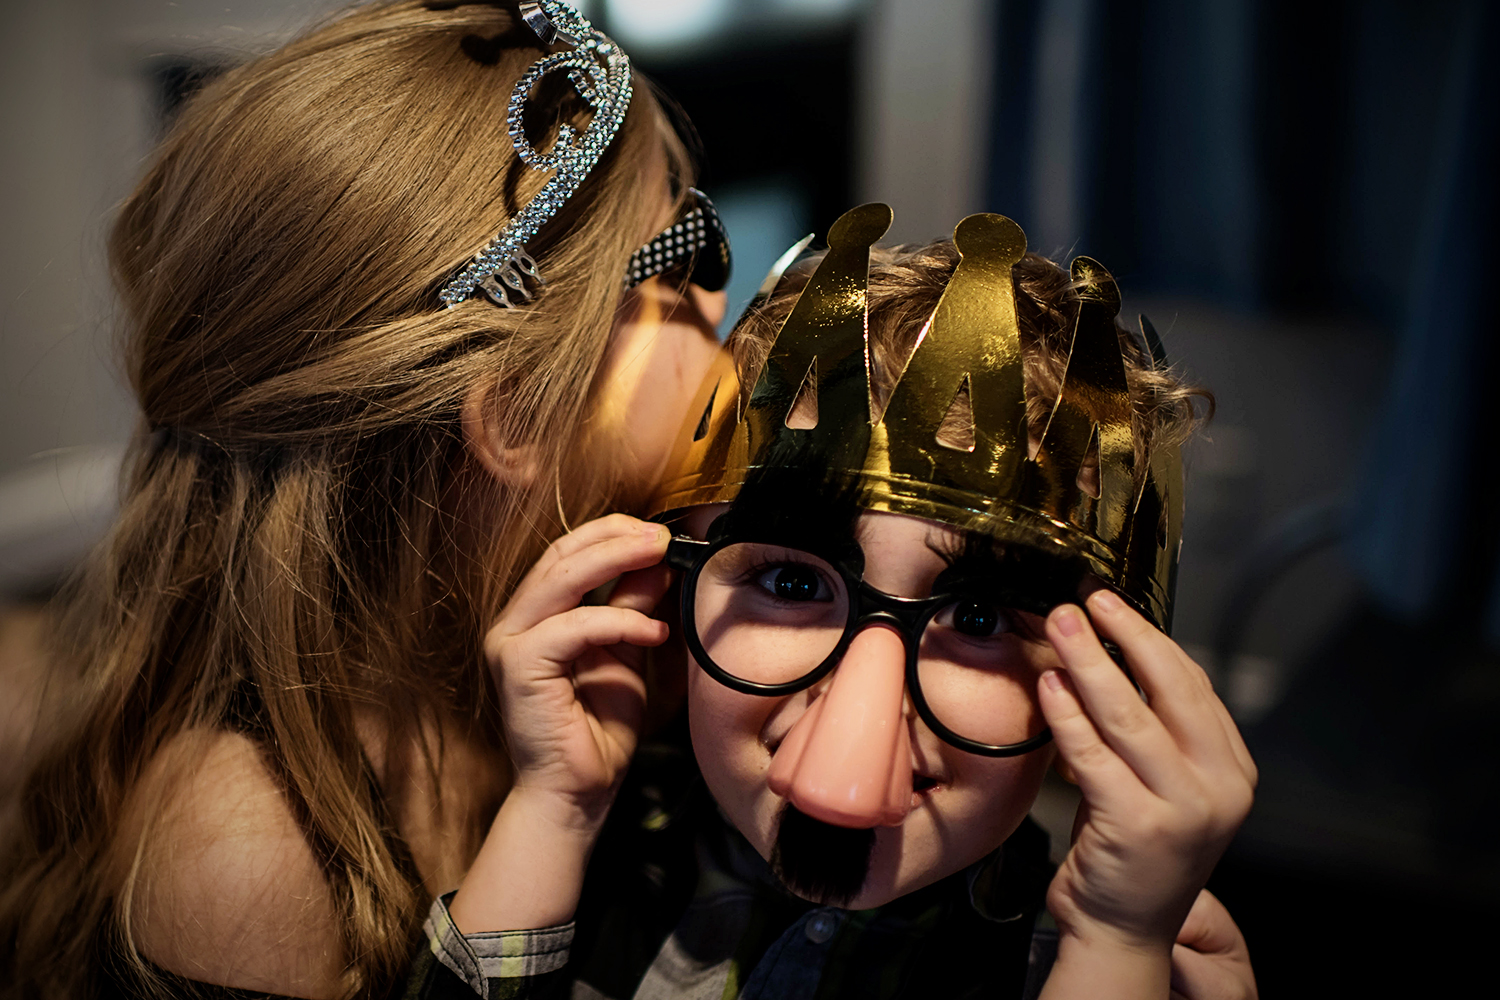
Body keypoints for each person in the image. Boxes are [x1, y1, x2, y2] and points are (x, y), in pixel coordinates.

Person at [0, 3, 735, 997]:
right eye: (689, 258)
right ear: (517, 413)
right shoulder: (251, 851)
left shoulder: (602, 626)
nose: (722, 308)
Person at [462, 206, 1259, 999]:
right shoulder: (601, 847)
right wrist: (554, 815)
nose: (850, 756)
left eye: (978, 620)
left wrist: (1118, 944)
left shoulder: (1097, 958)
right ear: (669, 588)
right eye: (794, 583)